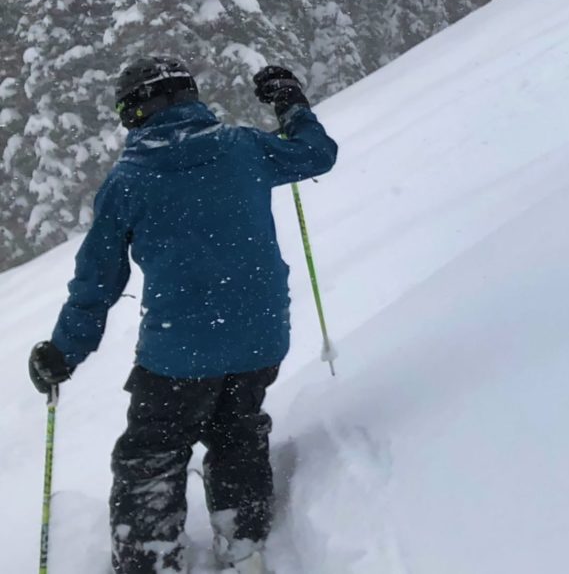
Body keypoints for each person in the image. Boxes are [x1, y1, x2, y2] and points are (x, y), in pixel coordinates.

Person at [27, 57, 339, 574]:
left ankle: (150, 561)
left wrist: (64, 352)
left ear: (133, 112)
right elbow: (316, 154)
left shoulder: (130, 180)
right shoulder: (244, 148)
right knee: (236, 433)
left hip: (180, 352)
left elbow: (97, 283)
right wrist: (290, 102)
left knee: (150, 455)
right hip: (260, 337)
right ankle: (245, 547)